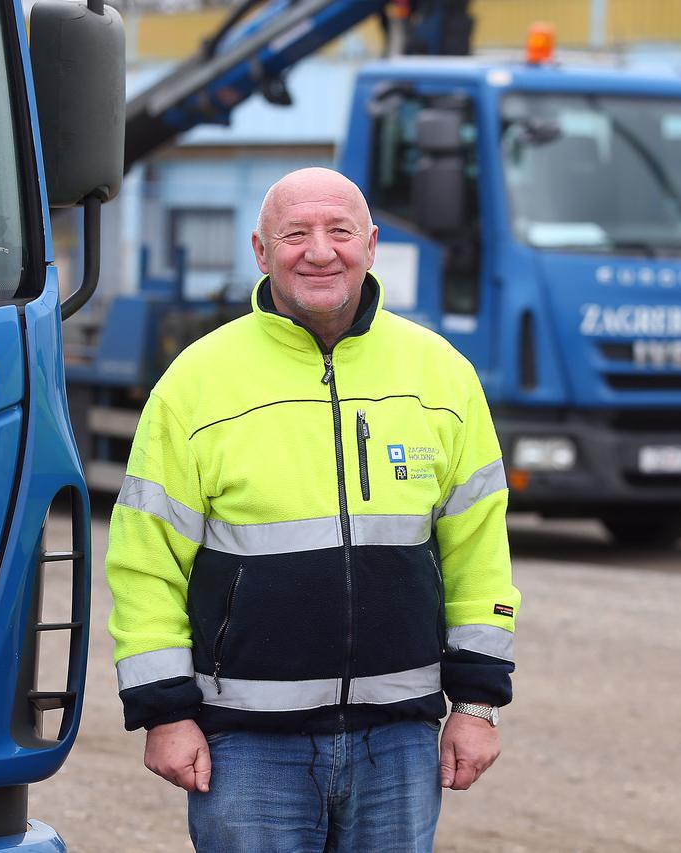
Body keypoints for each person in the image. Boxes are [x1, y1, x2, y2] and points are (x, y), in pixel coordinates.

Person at [105, 167, 518, 851]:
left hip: (399, 741)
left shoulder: (442, 374)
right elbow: (145, 562)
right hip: (246, 744)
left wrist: (476, 704)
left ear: (372, 244)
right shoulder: (196, 383)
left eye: (339, 231)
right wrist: (164, 711)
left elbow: (479, 553)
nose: (319, 251)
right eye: (294, 234)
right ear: (261, 253)